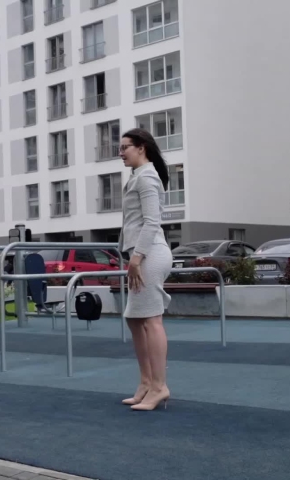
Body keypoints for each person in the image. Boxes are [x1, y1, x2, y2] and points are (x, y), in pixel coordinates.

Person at [117, 128, 173, 411]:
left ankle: (160, 386)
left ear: (142, 148)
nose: (121, 152)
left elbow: (152, 222)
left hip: (150, 256)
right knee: (134, 319)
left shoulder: (148, 177)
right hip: (141, 256)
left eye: (125, 147)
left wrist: (136, 259)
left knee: (151, 320)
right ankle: (146, 382)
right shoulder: (137, 177)